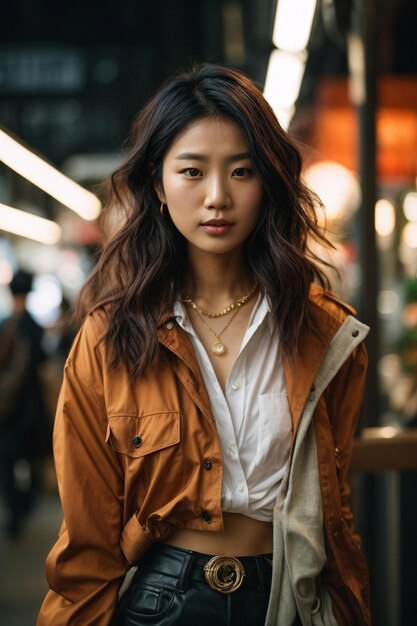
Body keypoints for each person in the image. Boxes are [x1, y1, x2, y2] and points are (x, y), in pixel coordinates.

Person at [37, 64, 370, 626]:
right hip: (161, 601)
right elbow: (88, 545)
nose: (217, 196)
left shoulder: (326, 335)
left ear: (269, 184)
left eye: (242, 171)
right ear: (158, 184)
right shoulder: (111, 338)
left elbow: (334, 517)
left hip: (289, 597)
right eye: (192, 171)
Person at [0, 269, 50, 538]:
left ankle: (14, 515)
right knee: (32, 458)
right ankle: (26, 504)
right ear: (29, 293)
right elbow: (41, 363)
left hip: (5, 407)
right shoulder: (33, 326)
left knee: (7, 462)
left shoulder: (5, 324)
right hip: (30, 405)